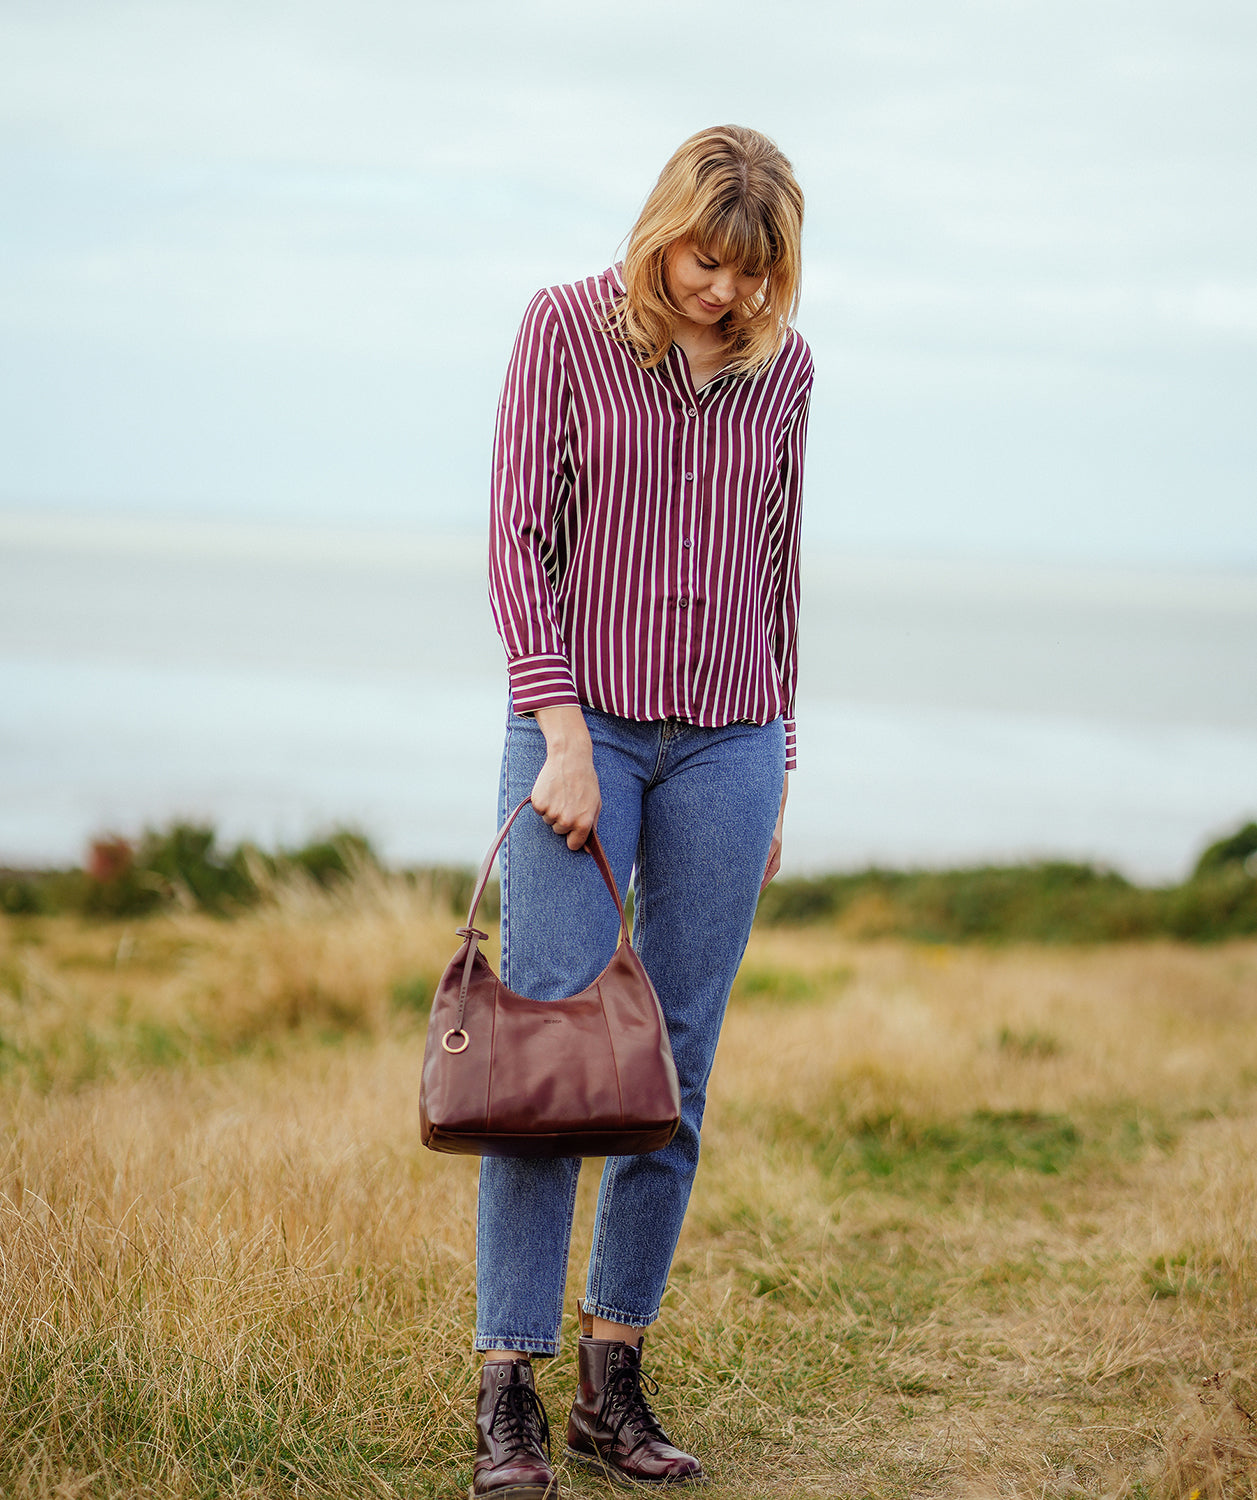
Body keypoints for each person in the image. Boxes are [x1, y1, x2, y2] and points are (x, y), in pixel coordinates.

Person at [472, 124, 812, 1498]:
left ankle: (611, 1378)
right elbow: (517, 541)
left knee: (673, 1065)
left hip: (730, 737)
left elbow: (779, 570)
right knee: (548, 1059)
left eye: (750, 272)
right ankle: (505, 1389)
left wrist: (779, 763)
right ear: (662, 229)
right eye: (703, 260)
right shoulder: (562, 329)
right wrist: (559, 734)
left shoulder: (783, 369)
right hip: (584, 727)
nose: (722, 291)